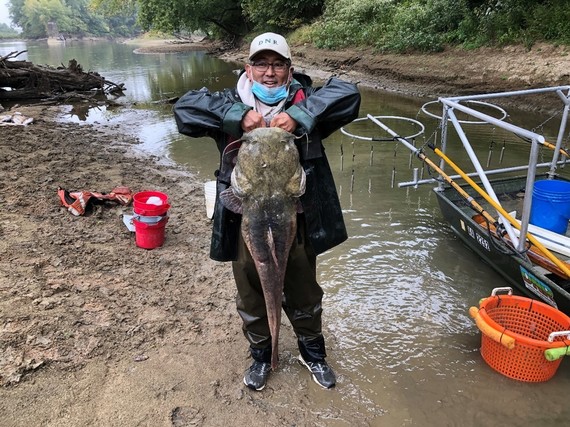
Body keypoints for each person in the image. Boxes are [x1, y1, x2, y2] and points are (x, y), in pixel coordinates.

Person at [174, 32, 361, 391]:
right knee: (251, 289)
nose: (269, 73)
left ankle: (313, 352)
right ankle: (262, 354)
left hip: (298, 217)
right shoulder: (228, 102)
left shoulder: (307, 102)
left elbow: (349, 93)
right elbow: (183, 110)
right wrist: (235, 115)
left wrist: (300, 115)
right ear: (248, 68)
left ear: (290, 71)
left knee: (304, 289)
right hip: (245, 217)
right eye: (261, 64)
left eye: (277, 65)